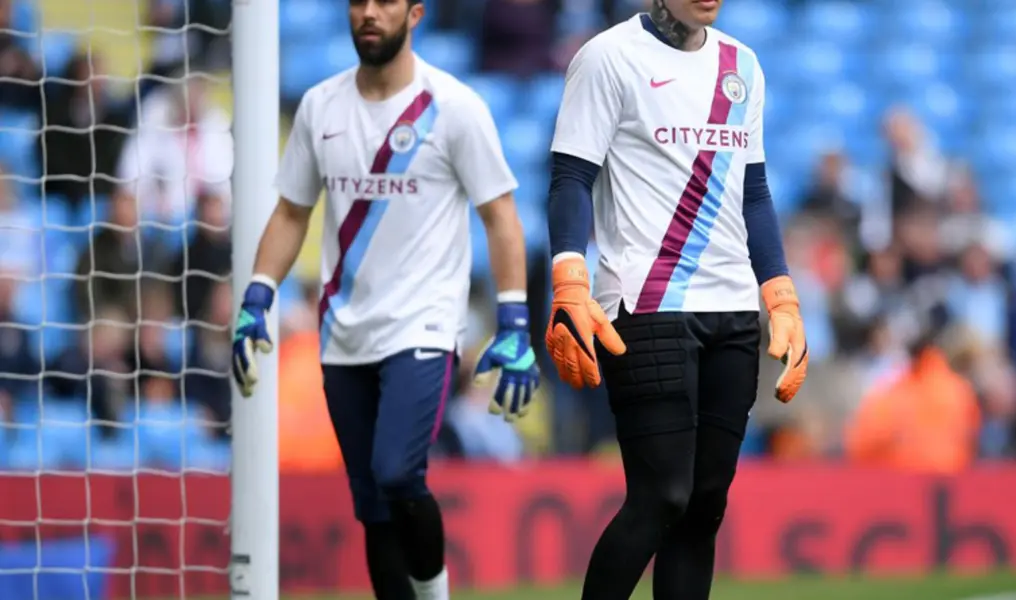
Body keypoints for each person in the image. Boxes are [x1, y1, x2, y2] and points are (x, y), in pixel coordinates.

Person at [229, 0, 540, 598]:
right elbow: (292, 211)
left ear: (415, 13)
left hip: (423, 327)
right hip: (343, 331)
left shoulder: (454, 107)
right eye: (358, 2)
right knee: (372, 505)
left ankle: (435, 594)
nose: (369, 13)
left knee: (396, 472)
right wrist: (256, 298)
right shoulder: (320, 106)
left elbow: (501, 217)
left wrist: (513, 321)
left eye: (385, 2)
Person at [543, 1, 808, 597]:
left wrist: (781, 295)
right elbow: (570, 178)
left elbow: (755, 193)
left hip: (734, 308)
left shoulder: (744, 65)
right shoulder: (608, 58)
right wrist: (568, 280)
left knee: (705, 503)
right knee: (662, 495)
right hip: (646, 302)